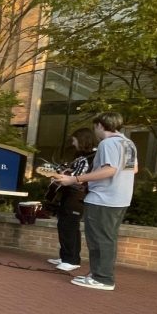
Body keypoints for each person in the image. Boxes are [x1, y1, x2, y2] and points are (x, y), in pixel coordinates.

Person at [54, 112, 138, 291]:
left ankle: (102, 278)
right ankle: (98, 273)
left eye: (95, 126)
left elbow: (109, 170)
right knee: (107, 238)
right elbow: (133, 169)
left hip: (103, 198)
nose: (95, 131)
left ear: (100, 125)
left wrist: (75, 180)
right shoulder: (127, 142)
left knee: (98, 239)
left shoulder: (107, 143)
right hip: (120, 198)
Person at [46, 127, 97, 273]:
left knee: (70, 226)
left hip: (78, 195)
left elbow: (79, 178)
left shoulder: (92, 157)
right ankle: (65, 256)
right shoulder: (80, 156)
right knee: (64, 225)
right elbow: (72, 173)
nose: (73, 143)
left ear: (82, 140)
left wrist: (64, 176)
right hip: (69, 194)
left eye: (74, 140)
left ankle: (72, 260)